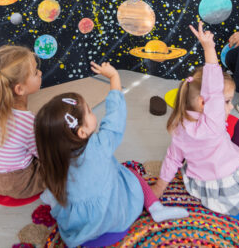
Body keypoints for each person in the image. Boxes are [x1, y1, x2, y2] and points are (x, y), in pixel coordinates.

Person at [35, 62, 188, 247]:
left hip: (79, 232)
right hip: (115, 221)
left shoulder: (52, 160)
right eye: (89, 111)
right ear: (82, 133)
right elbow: (115, 117)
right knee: (130, 173)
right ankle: (156, 207)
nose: (93, 114)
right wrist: (114, 78)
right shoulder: (100, 146)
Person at [151, 22, 239, 217]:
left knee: (230, 127)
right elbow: (213, 86)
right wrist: (208, 48)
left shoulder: (179, 126)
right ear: (205, 103)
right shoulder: (213, 122)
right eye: (227, 101)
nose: (231, 106)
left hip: (201, 184)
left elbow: (173, 158)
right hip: (230, 181)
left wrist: (160, 186)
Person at [0, 45, 46, 198]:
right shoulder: (28, 123)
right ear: (19, 89)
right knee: (60, 158)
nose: (40, 72)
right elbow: (44, 154)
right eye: (35, 72)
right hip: (17, 185)